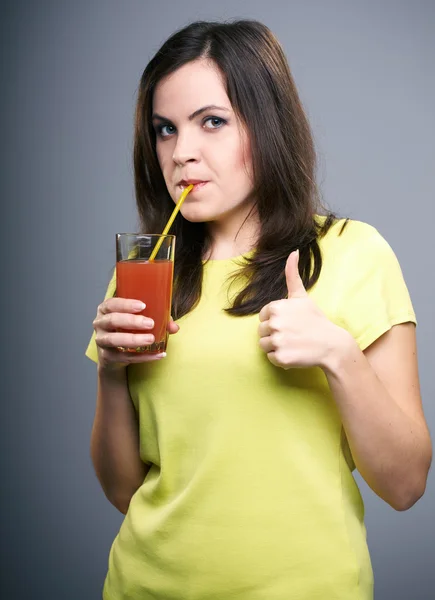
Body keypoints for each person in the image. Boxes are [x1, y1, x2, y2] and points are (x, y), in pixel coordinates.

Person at [85, 19, 432, 600]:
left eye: (211, 122)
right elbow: (124, 492)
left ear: (266, 124)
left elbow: (405, 485)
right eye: (164, 130)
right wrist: (110, 371)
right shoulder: (147, 272)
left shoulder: (355, 253)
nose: (181, 153)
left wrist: (338, 355)